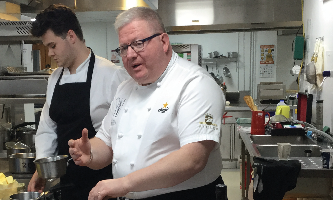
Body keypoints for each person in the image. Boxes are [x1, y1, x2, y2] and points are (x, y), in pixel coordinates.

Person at [68, 7, 226, 200]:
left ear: (164, 42)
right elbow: (106, 143)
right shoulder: (124, 89)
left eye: (138, 43)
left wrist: (125, 183)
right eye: (124, 48)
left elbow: (193, 159)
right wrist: (90, 153)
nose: (130, 54)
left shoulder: (195, 83)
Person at [27, 4, 129, 200]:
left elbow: (126, 132)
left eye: (52, 45)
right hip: (68, 183)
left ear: (71, 36)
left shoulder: (111, 74)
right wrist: (42, 168)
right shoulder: (55, 78)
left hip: (105, 183)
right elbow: (48, 127)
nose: (49, 53)